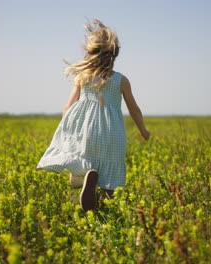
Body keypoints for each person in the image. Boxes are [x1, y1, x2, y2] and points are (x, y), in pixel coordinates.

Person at [36, 19, 149, 211]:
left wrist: (66, 128)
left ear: (91, 53)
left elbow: (68, 106)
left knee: (82, 164)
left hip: (87, 131)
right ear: (115, 54)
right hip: (113, 133)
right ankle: (104, 209)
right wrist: (144, 130)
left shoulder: (83, 77)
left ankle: (82, 180)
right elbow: (134, 110)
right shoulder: (121, 80)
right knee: (110, 182)